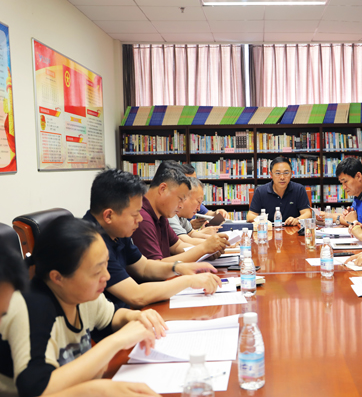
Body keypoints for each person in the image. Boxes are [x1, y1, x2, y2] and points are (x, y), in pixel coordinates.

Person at [0, 217, 165, 397]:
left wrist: (133, 317)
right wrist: (116, 342)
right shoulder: (29, 308)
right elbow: (37, 389)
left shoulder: (82, 293)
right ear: (57, 277)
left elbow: (111, 317)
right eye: (97, 271)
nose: (107, 276)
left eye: (106, 264)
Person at [83, 169, 223, 309]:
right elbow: (136, 295)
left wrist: (178, 267)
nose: (140, 219)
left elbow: (144, 267)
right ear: (108, 216)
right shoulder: (91, 244)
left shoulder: (116, 231)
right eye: (135, 214)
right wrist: (189, 281)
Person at [131, 162, 230, 262]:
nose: (181, 206)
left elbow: (177, 245)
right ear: (162, 189)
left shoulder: (161, 215)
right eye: (180, 198)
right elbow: (154, 266)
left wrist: (206, 250)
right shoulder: (143, 218)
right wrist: (203, 249)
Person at [247, 156, 312, 225]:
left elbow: (307, 213)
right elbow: (250, 216)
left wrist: (297, 219)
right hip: (269, 229)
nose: (282, 177)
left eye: (286, 173)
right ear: (271, 174)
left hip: (292, 229)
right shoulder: (260, 191)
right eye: (278, 173)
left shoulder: (299, 189)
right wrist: (263, 220)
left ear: (291, 174)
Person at [168, 176, 221, 245]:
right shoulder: (170, 215)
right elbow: (186, 241)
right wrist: (218, 242)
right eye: (198, 202)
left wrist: (218, 239)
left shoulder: (181, 217)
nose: (199, 209)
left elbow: (192, 233)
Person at [180, 163, 229, 229]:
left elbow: (207, 213)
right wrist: (189, 227)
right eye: (191, 180)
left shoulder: (195, 201)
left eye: (195, 180)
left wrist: (217, 213)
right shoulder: (174, 208)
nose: (195, 184)